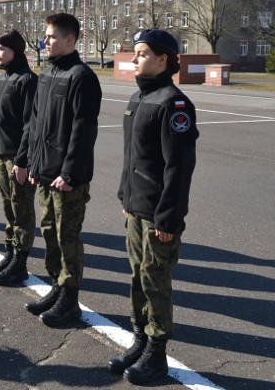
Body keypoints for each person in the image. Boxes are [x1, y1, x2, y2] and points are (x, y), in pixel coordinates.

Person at [107, 29, 198, 385]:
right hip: (137, 207)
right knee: (137, 278)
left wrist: (169, 218)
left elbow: (178, 168)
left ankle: (157, 354)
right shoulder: (139, 97)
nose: (134, 59)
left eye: (142, 54)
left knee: (155, 281)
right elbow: (134, 159)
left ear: (164, 59)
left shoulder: (174, 104)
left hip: (158, 213)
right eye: (135, 53)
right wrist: (125, 198)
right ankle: (140, 339)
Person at [25, 12, 101, 327]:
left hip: (66, 178)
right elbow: (35, 123)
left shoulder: (81, 77)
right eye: (47, 35)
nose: (46, 40)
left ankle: (70, 299)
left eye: (53, 36)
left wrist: (69, 174)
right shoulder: (47, 73)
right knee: (49, 233)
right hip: (44, 172)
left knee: (67, 236)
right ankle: (57, 287)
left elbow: (83, 131)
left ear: (71, 40)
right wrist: (31, 161)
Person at [0, 30, 37, 286]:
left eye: (1, 50)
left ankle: (21, 262)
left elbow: (30, 125)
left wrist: (23, 159)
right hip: (1, 155)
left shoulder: (27, 80)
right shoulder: (2, 79)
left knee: (22, 210)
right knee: (8, 207)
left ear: (15, 50)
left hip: (17, 159)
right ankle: (10, 253)